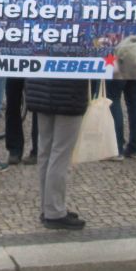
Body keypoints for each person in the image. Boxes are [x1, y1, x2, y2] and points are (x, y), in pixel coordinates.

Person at [25, 78, 89, 229]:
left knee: (45, 152)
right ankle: (54, 211)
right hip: (68, 94)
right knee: (60, 154)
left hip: (40, 90)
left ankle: (48, 208)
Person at [105, 77, 136, 159]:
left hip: (117, 67)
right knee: (134, 101)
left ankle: (116, 149)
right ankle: (135, 148)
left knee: (113, 99)